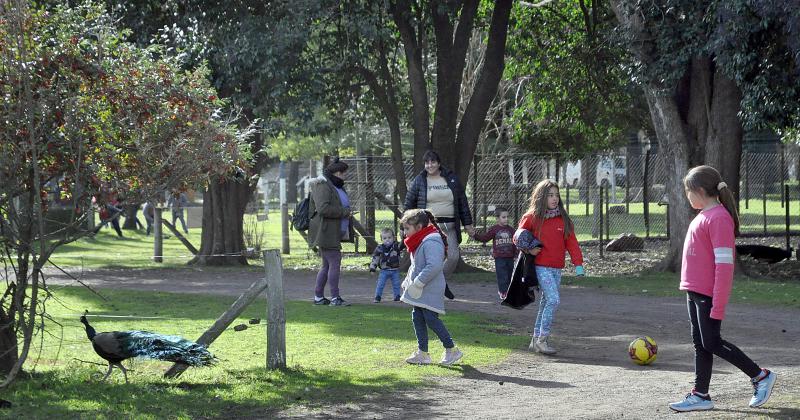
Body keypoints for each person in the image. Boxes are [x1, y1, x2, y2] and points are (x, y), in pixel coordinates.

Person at [668, 165, 776, 412]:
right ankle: (701, 395)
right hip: (694, 292)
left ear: (699, 190)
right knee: (701, 344)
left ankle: (760, 376)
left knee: (712, 342)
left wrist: (718, 304)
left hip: (707, 295)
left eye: (687, 191)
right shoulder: (703, 216)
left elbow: (724, 267)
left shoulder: (718, 219)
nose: (687, 196)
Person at [516, 179, 584, 355]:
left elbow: (572, 243)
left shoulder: (564, 220)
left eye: (556, 195)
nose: (554, 198)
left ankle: (534, 340)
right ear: (541, 197)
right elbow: (518, 237)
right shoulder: (531, 217)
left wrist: (578, 264)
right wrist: (529, 249)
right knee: (554, 300)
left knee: (546, 302)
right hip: (540, 267)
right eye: (550, 195)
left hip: (556, 268)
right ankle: (542, 339)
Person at [404, 150, 474, 298]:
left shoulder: (451, 178)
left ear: (439, 163)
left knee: (453, 257)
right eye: (427, 162)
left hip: (449, 227)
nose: (430, 165)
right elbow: (409, 204)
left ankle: (436, 282)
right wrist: (406, 225)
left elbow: (462, 202)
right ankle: (424, 287)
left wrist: (468, 223)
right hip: (429, 228)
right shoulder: (419, 180)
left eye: (433, 162)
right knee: (429, 260)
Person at [399, 209, 463, 366]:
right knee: (418, 317)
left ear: (419, 227)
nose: (404, 232)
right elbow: (416, 265)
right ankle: (423, 353)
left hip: (429, 288)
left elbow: (433, 266)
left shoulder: (431, 241)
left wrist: (418, 283)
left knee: (431, 319)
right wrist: (408, 281)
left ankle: (452, 350)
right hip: (421, 288)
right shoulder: (420, 241)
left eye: (407, 228)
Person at [308, 158, 355, 307]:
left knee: (327, 266)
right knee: (334, 263)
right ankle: (335, 298)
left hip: (333, 232)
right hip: (326, 232)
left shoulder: (336, 185)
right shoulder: (323, 186)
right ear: (335, 173)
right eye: (342, 172)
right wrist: (344, 212)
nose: (345, 175)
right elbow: (323, 209)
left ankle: (319, 297)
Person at [471, 206, 517, 300]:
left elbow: (515, 243)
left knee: (509, 275)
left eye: (507, 217)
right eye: (503, 217)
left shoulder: (511, 230)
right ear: (497, 219)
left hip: (510, 257)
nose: (506, 219)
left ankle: (509, 291)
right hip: (499, 257)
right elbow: (485, 238)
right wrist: (475, 235)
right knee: (502, 275)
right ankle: (503, 292)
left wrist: (516, 253)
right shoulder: (494, 229)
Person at [369, 228, 404, 303]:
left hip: (395, 270)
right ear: (381, 239)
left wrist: (403, 237)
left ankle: (397, 296)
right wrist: (372, 268)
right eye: (384, 238)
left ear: (393, 238)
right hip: (384, 271)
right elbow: (375, 258)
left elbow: (403, 245)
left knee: (396, 284)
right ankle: (377, 297)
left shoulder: (396, 246)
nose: (387, 240)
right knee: (380, 284)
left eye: (389, 237)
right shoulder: (379, 248)